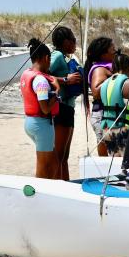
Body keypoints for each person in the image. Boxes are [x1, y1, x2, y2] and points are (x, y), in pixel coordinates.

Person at [20, 39, 60, 179]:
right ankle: (39, 193)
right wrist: (57, 91)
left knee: (54, 162)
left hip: (30, 122)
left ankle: (52, 188)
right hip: (41, 125)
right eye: (49, 61)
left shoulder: (26, 73)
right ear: (46, 58)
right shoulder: (41, 81)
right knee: (44, 165)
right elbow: (45, 109)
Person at [48, 26, 82, 180]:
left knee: (64, 155)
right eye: (74, 40)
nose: (75, 43)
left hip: (68, 108)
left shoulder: (66, 57)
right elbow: (41, 74)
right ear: (66, 42)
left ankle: (65, 183)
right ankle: (57, 185)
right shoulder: (57, 56)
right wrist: (66, 80)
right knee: (59, 154)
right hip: (60, 108)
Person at [99, 52, 129, 156]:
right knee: (128, 165)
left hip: (107, 130)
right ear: (128, 67)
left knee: (114, 165)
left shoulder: (104, 84)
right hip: (123, 131)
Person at [83, 37, 116, 156]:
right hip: (102, 115)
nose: (115, 52)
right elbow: (96, 92)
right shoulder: (99, 69)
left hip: (107, 114)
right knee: (109, 155)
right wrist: (115, 78)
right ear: (103, 55)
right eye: (113, 49)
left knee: (109, 152)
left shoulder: (107, 67)